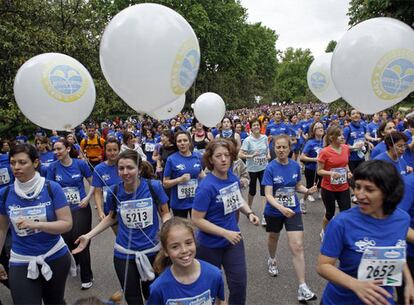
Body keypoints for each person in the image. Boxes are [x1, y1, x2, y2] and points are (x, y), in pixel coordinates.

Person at [73, 150, 171, 305]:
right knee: (132, 299)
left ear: (139, 169)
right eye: (121, 168)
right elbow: (111, 218)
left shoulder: (154, 187)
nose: (125, 172)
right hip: (124, 254)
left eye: (130, 168)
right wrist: (88, 235)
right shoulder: (114, 191)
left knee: (154, 295)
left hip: (153, 252)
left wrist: (167, 233)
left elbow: (165, 214)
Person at [317, 160, 414, 305]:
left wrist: (409, 283)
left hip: (382, 300)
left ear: (388, 192)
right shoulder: (342, 223)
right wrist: (355, 285)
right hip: (341, 301)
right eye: (357, 187)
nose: (359, 195)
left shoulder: (402, 219)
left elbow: (396, 252)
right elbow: (323, 266)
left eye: (369, 189)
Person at [0, 144, 73, 305]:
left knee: (54, 302)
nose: (16, 167)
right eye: (13, 163)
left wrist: (37, 225)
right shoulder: (5, 193)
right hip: (21, 259)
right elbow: (1, 229)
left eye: (22, 162)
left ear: (35, 163)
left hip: (55, 256)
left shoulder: (52, 188)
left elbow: (67, 224)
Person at [192, 138, 259, 305]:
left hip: (233, 241)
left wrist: (249, 212)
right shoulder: (206, 187)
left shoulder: (232, 177)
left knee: (239, 285)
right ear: (211, 159)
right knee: (211, 288)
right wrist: (224, 233)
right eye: (218, 156)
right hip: (209, 246)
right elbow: (196, 220)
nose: (223, 159)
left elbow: (237, 200)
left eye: (227, 155)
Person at [262, 134, 317, 302]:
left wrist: (307, 190)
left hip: (293, 210)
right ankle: (272, 259)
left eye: (284, 147)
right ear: (274, 149)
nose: (281, 150)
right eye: (278, 147)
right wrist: (280, 208)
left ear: (289, 148)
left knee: (297, 246)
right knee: (273, 237)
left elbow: (297, 186)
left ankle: (302, 286)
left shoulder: (295, 166)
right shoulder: (270, 168)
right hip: (274, 211)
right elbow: (268, 195)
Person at [47, 138, 95, 289]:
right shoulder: (53, 167)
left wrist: (87, 198)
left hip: (81, 206)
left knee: (81, 238)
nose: (56, 152)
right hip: (62, 210)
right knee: (67, 239)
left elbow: (93, 182)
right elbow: (48, 189)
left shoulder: (80, 164)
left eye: (59, 149)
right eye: (54, 149)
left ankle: (87, 276)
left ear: (68, 149)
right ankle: (77, 261)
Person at [147, 217, 226, 305]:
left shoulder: (214, 275)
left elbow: (221, 301)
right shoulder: (158, 288)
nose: (184, 250)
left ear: (195, 242)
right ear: (165, 251)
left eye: (188, 243)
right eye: (175, 247)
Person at [317, 126, 352, 240]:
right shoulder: (325, 152)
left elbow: (345, 163)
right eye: (340, 135)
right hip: (328, 188)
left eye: (342, 134)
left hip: (343, 187)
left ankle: (342, 234)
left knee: (345, 213)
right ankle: (324, 230)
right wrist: (330, 174)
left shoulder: (346, 148)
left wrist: (348, 171)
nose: (343, 137)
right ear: (332, 137)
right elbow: (319, 171)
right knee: (330, 214)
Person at [163, 131, 205, 218]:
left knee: (198, 228)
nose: (182, 143)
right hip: (179, 204)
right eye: (179, 141)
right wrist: (179, 179)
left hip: (196, 201)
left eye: (185, 140)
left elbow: (201, 174)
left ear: (190, 142)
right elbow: (165, 183)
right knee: (182, 230)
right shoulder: (171, 159)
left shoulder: (197, 156)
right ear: (176, 143)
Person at [239, 118, 269, 223]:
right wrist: (251, 155)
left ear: (260, 126)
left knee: (264, 191)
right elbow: (240, 154)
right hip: (251, 169)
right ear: (251, 128)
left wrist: (268, 155)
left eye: (258, 125)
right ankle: (249, 208)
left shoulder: (264, 137)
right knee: (252, 191)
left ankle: (265, 214)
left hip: (264, 168)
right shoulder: (248, 140)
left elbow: (267, 149)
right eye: (254, 125)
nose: (256, 127)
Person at [92, 137, 122, 222]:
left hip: (127, 208)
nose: (112, 153)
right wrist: (100, 211)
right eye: (109, 150)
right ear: (105, 151)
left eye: (115, 150)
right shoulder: (99, 169)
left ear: (119, 150)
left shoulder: (125, 166)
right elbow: (97, 192)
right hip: (110, 210)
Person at [299, 121, 324, 213]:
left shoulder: (325, 142)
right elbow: (302, 157)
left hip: (322, 169)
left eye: (322, 127)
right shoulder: (310, 142)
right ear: (313, 131)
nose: (321, 128)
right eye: (318, 127)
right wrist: (315, 159)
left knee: (322, 185)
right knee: (310, 188)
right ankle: (303, 201)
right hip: (311, 169)